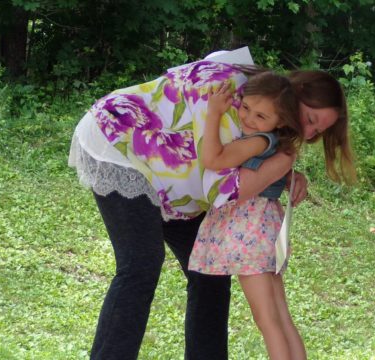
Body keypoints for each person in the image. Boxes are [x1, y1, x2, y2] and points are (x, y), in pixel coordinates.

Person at [68, 59, 355, 360]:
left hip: (170, 177)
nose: (308, 135)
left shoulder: (259, 99)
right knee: (141, 264)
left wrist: (281, 171)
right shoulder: (236, 101)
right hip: (119, 144)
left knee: (210, 271)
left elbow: (244, 157)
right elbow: (223, 191)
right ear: (297, 91)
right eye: (310, 119)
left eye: (317, 132)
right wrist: (282, 163)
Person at [188, 71, 306, 359]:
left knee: (267, 321)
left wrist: (214, 114)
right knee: (279, 316)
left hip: (249, 233)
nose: (249, 119)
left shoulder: (258, 141)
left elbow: (214, 159)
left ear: (281, 122)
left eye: (261, 116)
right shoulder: (273, 142)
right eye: (246, 108)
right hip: (264, 229)